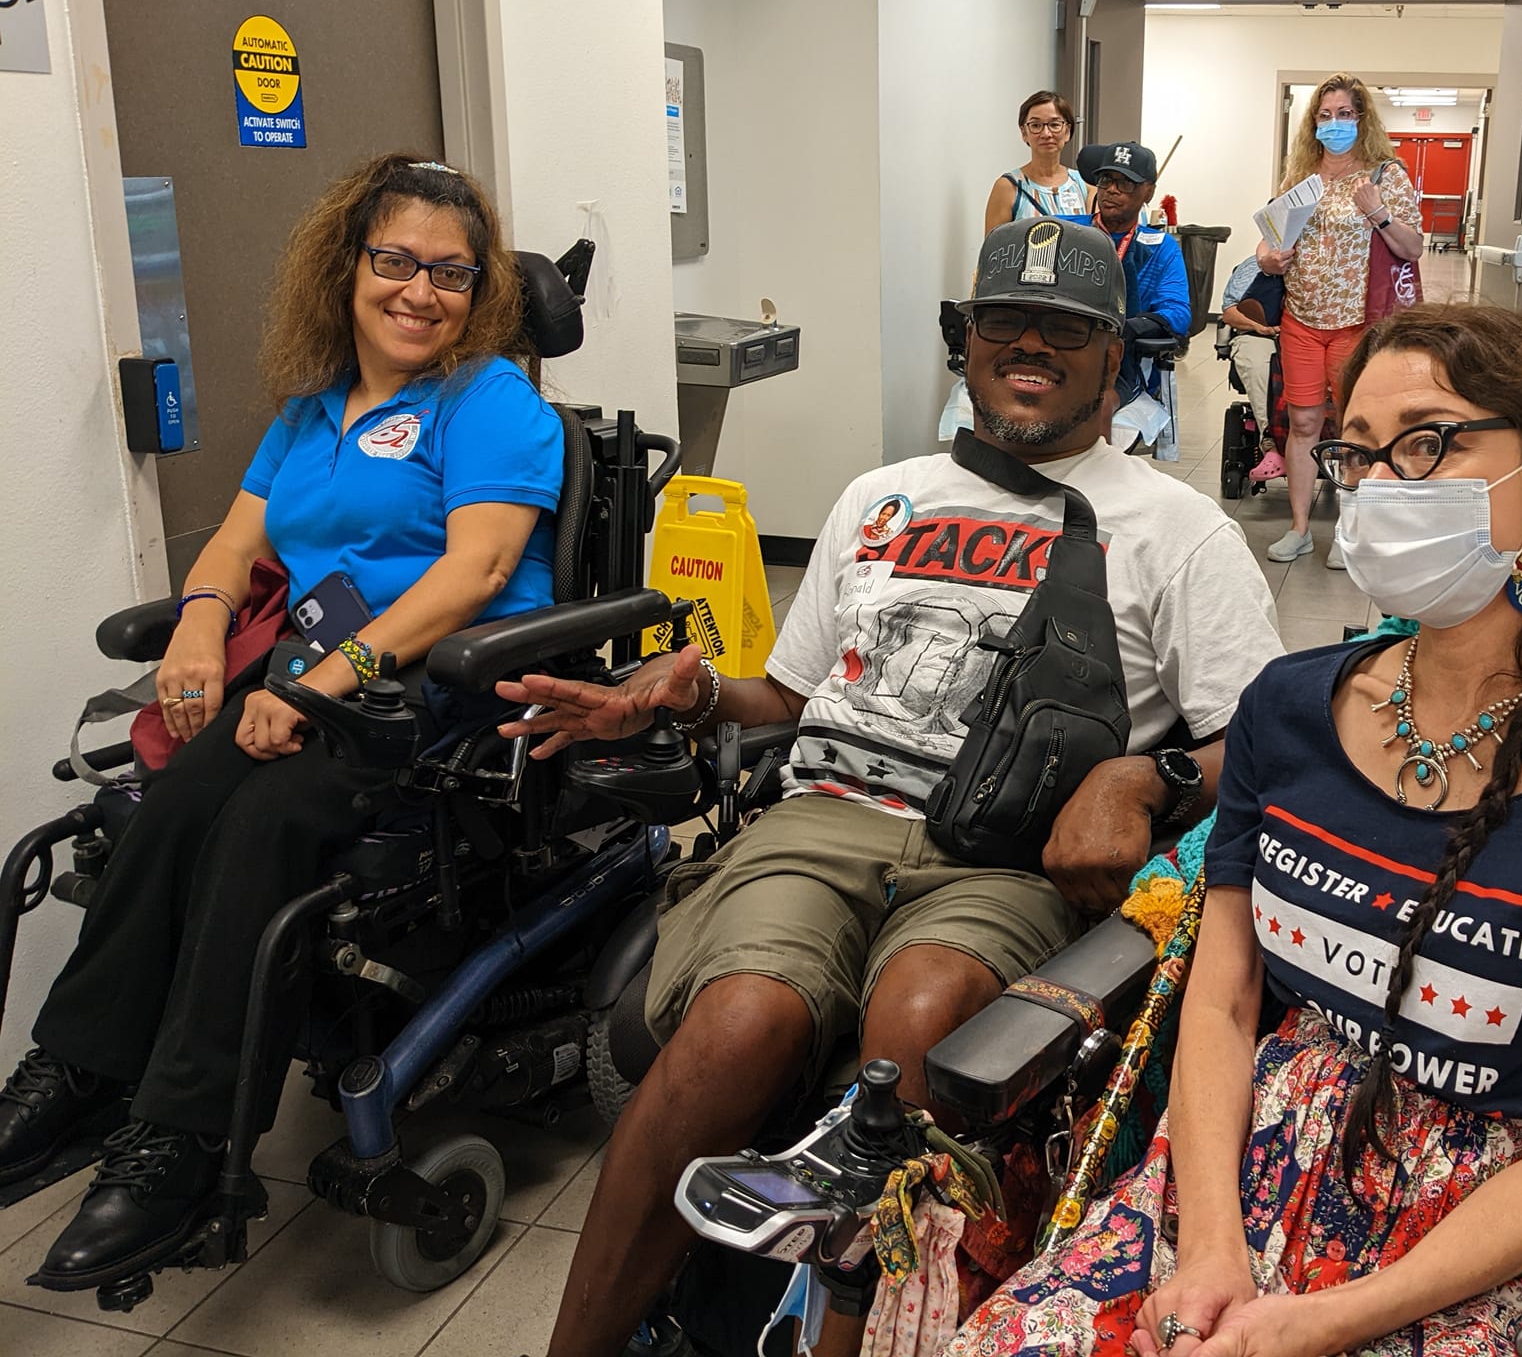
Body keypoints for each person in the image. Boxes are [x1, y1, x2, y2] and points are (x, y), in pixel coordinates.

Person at [497, 219, 1285, 1357]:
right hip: (822, 821)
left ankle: (845, 1333)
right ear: (962, 344)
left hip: (1000, 858)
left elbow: (1260, 745)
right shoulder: (883, 496)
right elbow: (788, 694)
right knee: (740, 1020)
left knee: (915, 1019)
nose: (1029, 345)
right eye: (1002, 322)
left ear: (1112, 361)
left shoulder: (1177, 532)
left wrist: (1139, 772)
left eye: (1063, 330)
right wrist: (689, 695)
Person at [947, 303, 1522, 1357]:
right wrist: (1208, 1255)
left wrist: (1320, 1321)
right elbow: (1226, 1002)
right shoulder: (1287, 712)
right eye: (1357, 453)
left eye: (1426, 442)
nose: (1378, 488)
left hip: (1474, 1235)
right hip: (1234, 1167)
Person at [0, 154, 564, 1292]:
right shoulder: (309, 414)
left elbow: (473, 575)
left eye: (450, 273)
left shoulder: (492, 400)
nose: (420, 291)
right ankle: (76, 1071)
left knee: (261, 827)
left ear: (479, 290)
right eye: (395, 261)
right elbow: (232, 542)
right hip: (299, 685)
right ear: (347, 267)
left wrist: (329, 682)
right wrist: (203, 627)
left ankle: (187, 1147)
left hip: (438, 696)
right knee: (170, 811)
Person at [1257, 75, 1426, 568]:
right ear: (1314, 123)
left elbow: (1412, 247)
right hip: (1301, 318)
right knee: (1304, 422)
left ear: (1362, 120)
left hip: (1359, 321)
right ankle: (1300, 528)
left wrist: (1378, 214)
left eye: (1345, 115)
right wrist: (1269, 260)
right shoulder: (1299, 179)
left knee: (1354, 426)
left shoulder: (1385, 176)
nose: (1335, 125)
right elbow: (1267, 242)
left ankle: (1350, 531)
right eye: (1325, 116)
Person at [1076, 141, 1192, 421]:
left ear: (1148, 191)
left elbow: (1178, 314)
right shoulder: (1066, 229)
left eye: (1126, 183)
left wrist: (1129, 328)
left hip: (1121, 363)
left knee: (1096, 406)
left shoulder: (1160, 247)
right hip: (1061, 345)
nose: (1113, 190)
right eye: (1106, 180)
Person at [1216, 254, 1286, 485]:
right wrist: (1259, 326)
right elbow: (1230, 312)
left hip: (1312, 337)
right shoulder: (1253, 265)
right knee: (1259, 364)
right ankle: (1272, 443)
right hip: (1259, 334)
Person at [983, 90, 1091, 234]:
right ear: (1024, 133)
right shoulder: (1008, 186)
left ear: (1067, 131)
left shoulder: (1085, 185)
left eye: (1054, 124)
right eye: (1036, 125)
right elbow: (993, 251)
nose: (1046, 133)